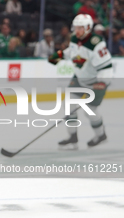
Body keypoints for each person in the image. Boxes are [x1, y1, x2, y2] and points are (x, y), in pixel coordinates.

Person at [48, 14, 112, 148]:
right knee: (69, 105)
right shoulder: (74, 38)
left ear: (88, 28)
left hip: (96, 82)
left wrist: (103, 81)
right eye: (76, 27)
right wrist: (58, 56)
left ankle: (100, 135)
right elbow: (71, 52)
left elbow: (106, 66)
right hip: (79, 77)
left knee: (89, 109)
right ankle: (72, 136)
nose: (77, 31)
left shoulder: (96, 43)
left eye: (80, 28)